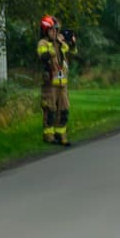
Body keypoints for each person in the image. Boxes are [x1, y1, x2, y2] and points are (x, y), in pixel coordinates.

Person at [36, 15, 74, 146]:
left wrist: (70, 41)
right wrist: (53, 44)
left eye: (56, 30)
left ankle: (61, 134)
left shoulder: (59, 43)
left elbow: (70, 50)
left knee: (63, 110)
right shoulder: (43, 43)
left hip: (62, 83)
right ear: (46, 30)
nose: (55, 32)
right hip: (50, 84)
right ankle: (49, 135)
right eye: (52, 30)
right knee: (50, 110)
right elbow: (43, 56)